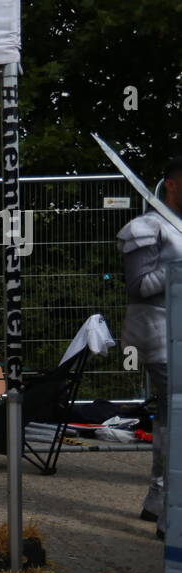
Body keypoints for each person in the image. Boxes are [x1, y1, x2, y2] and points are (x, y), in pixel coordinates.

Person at [119, 155, 182, 532]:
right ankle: (171, 514)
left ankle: (157, 499)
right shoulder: (146, 226)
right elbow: (139, 286)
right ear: (171, 184)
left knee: (170, 416)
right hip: (159, 334)